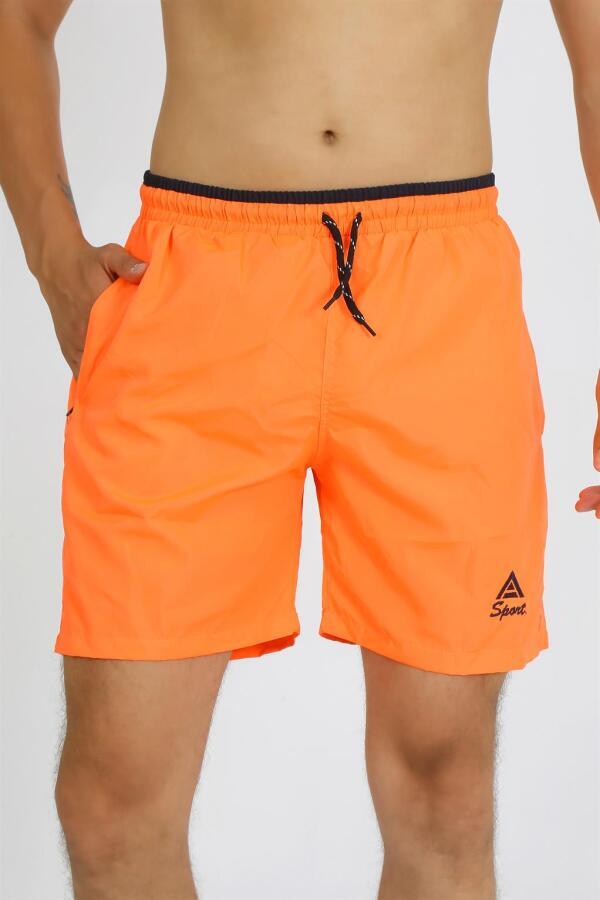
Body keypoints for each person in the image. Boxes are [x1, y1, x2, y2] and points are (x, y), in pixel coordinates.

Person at [0, 1, 598, 898]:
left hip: (440, 300)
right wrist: (51, 248)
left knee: (444, 787)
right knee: (113, 798)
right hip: (193, 292)